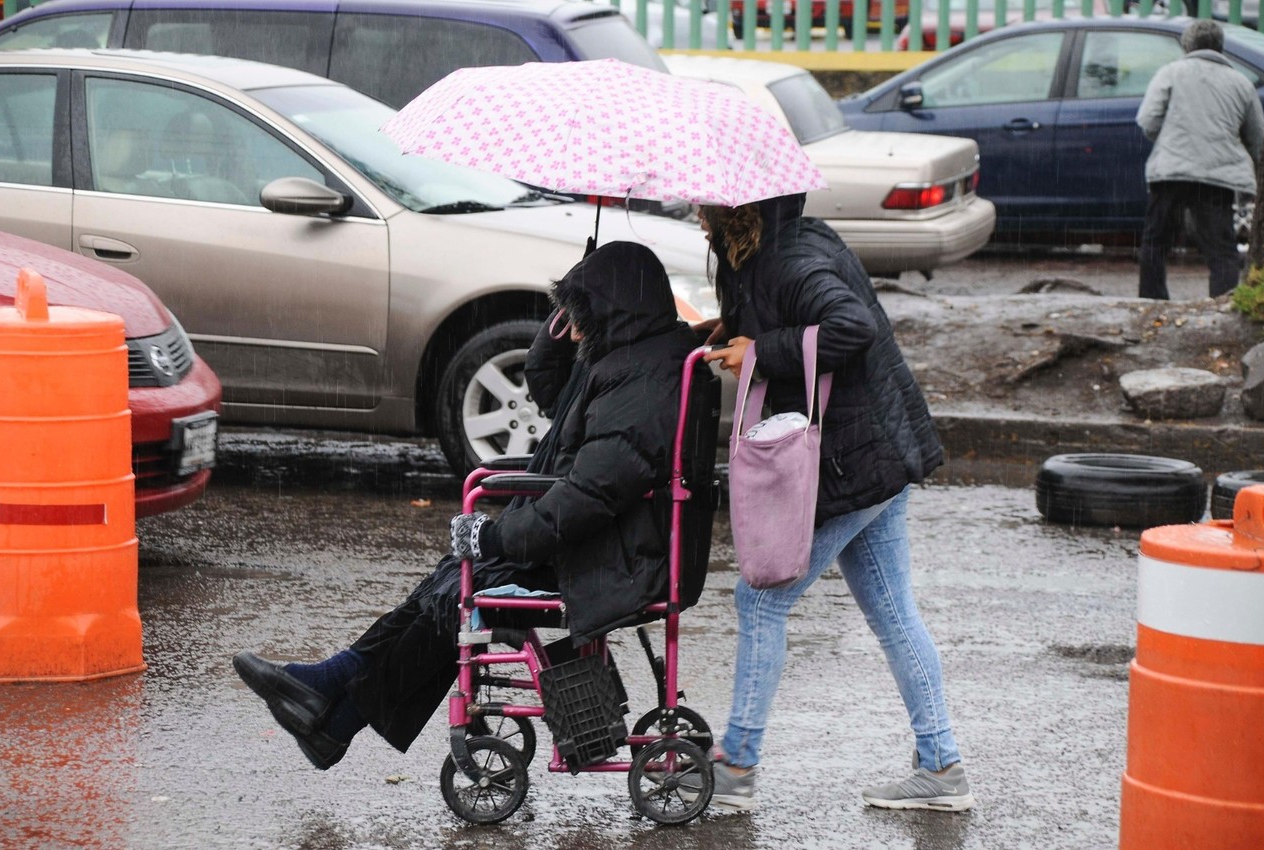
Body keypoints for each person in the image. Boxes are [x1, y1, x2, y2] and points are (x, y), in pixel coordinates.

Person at [232, 241, 711, 769]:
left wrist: (501, 536)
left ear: (612, 310)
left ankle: (334, 711)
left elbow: (592, 494)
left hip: (611, 561)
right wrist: (571, 301)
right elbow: (549, 383)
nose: (573, 331)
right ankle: (330, 699)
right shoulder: (627, 356)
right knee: (447, 583)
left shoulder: (639, 382)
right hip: (603, 544)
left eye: (581, 317)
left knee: (459, 592)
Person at [680, 195, 973, 813]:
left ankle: (735, 765)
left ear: (737, 212)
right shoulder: (763, 252)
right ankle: (942, 766)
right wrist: (729, 331)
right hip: (871, 453)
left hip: (853, 459)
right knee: (893, 615)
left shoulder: (794, 256)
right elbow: (782, 317)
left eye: (705, 209)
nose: (697, 218)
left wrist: (760, 352)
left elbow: (849, 327)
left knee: (761, 599)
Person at [1136, 18, 1264, 301]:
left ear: (1187, 46)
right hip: (1216, 177)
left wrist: (1172, 141)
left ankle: (1152, 302)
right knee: (1221, 250)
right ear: (1220, 47)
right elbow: (1259, 141)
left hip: (1171, 170)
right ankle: (1222, 305)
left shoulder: (1170, 73)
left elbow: (1148, 121)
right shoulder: (1242, 84)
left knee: (1155, 242)